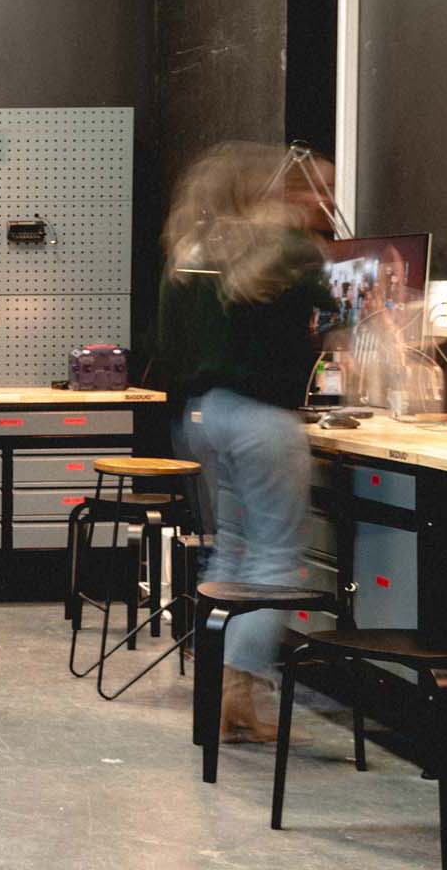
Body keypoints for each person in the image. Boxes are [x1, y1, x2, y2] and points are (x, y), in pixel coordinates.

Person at [156, 142, 337, 742]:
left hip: (205, 417)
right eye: (313, 192)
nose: (322, 204)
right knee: (277, 566)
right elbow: (347, 320)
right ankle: (240, 696)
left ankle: (218, 696)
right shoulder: (287, 251)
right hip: (263, 422)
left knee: (230, 557)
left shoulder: (192, 254)